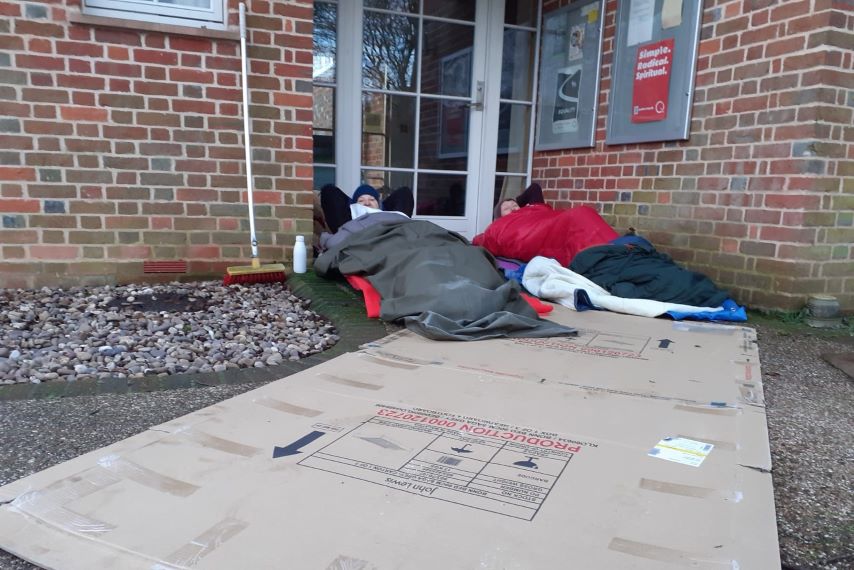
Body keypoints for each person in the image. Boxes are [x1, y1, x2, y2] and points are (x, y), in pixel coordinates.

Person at [319, 184, 414, 234]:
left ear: (380, 206)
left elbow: (404, 193)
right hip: (354, 240)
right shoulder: (347, 222)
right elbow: (329, 192)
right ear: (353, 207)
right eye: (361, 201)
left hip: (389, 237)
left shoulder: (391, 219)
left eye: (372, 199)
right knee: (329, 190)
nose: (367, 203)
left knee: (405, 191)